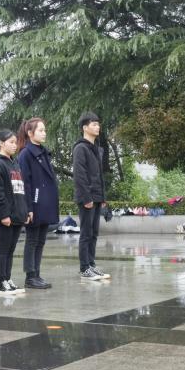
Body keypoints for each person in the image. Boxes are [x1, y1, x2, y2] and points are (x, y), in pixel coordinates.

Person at [17, 117, 59, 290]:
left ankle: (37, 273)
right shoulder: (26, 154)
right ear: (30, 133)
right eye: (40, 130)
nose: (44, 133)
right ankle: (30, 276)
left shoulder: (43, 152)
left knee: (41, 240)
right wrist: (28, 208)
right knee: (32, 240)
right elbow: (25, 183)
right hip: (34, 203)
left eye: (44, 130)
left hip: (45, 202)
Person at [0, 130, 29, 296]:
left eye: (15, 142)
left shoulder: (14, 163)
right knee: (3, 249)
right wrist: (3, 215)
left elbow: (21, 190)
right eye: (11, 142)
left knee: (11, 249)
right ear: (1, 143)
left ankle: (8, 278)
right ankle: (1, 282)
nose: (14, 145)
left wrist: (25, 211)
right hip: (6, 216)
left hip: (18, 214)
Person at [73, 112, 111, 281]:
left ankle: (91, 264)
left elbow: (98, 176)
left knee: (94, 233)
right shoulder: (80, 148)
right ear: (85, 128)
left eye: (98, 124)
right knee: (86, 233)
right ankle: (84, 268)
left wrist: (102, 198)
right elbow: (80, 175)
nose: (97, 127)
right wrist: (86, 198)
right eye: (94, 124)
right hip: (87, 198)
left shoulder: (95, 148)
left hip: (96, 197)